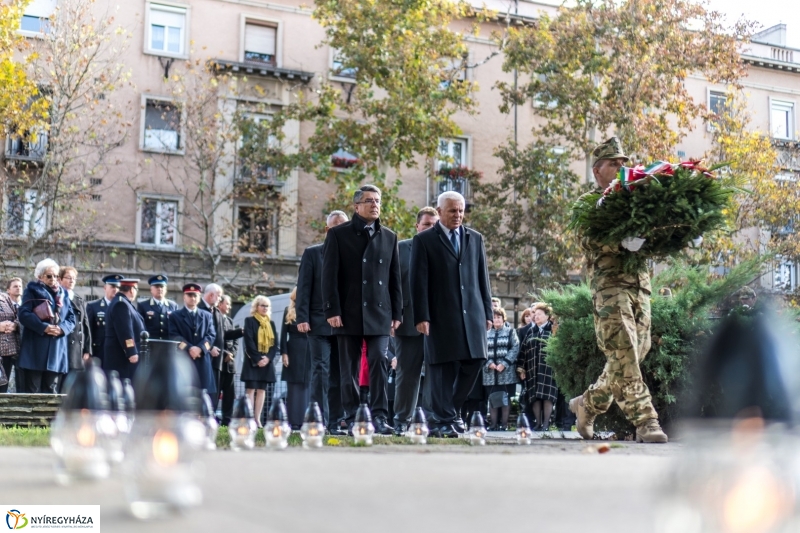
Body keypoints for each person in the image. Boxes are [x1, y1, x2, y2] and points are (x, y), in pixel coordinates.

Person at [569, 136, 668, 444]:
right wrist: (620, 242)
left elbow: (654, 230)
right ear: (598, 170)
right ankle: (646, 421)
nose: (621, 168)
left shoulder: (634, 198)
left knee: (636, 352)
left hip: (640, 284)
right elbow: (588, 238)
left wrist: (675, 234)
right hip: (609, 285)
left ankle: (587, 405)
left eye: (624, 163)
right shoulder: (587, 203)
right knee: (623, 347)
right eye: (614, 164)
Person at [411, 191, 493, 438]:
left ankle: (449, 413)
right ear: (439, 211)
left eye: (461, 210)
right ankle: (444, 420)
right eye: (452, 211)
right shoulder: (425, 240)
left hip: (473, 315)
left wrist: (488, 312)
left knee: (476, 360)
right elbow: (418, 281)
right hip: (440, 314)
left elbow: (483, 278)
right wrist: (421, 316)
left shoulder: (475, 238)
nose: (458, 215)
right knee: (442, 368)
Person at [322, 184, 402, 436]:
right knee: (350, 368)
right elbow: (329, 277)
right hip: (348, 313)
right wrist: (332, 310)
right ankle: (353, 416)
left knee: (379, 359)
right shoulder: (338, 235)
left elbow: (394, 278)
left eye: (377, 200)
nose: (374, 204)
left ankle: (378, 416)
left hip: (380, 313)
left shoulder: (389, 236)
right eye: (369, 200)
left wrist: (397, 313)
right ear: (356, 206)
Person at [296, 210, 348, 431]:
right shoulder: (313, 253)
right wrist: (302, 317)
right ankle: (318, 419)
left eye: (343, 226)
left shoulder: (354, 255)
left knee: (339, 375)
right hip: (317, 323)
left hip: (346, 326)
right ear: (328, 229)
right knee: (321, 371)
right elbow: (304, 287)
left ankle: (335, 422)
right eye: (335, 226)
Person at [392, 206, 439, 435]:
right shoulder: (400, 249)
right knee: (407, 375)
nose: (431, 228)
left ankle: (434, 421)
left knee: (437, 375)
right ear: (417, 226)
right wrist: (393, 316)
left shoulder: (445, 248)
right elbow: (393, 286)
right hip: (407, 323)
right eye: (427, 224)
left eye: (434, 224)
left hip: (439, 324)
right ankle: (401, 420)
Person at [17, 258, 76, 393]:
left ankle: (49, 416)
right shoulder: (31, 291)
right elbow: (23, 314)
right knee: (34, 391)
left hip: (56, 350)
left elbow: (71, 318)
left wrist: (62, 329)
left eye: (56, 276)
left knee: (51, 392)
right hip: (35, 351)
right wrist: (43, 327)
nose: (53, 279)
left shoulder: (63, 294)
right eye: (49, 276)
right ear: (40, 276)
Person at [168, 283, 217, 397]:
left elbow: (211, 335)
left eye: (195, 295)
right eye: (189, 295)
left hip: (202, 361)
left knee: (202, 396)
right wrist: (190, 348)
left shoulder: (207, 315)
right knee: (183, 394)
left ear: (199, 297)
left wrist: (200, 348)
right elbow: (174, 336)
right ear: (184, 297)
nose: (193, 298)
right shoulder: (175, 316)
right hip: (184, 359)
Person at [518, 302, 556, 430]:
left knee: (547, 396)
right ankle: (538, 423)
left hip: (548, 369)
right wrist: (521, 368)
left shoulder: (553, 330)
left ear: (547, 316)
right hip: (532, 369)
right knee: (534, 397)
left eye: (539, 314)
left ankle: (546, 424)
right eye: (535, 314)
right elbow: (523, 350)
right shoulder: (531, 331)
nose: (536, 317)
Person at [242, 295, 278, 427]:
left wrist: (268, 358)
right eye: (262, 305)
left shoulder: (271, 323)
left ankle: (257, 419)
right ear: (256, 307)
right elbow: (249, 342)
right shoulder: (249, 321)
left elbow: (275, 345)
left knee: (262, 390)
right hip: (253, 360)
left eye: (267, 306)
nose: (265, 308)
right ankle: (249, 418)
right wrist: (258, 359)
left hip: (266, 361)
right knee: (250, 389)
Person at [483, 308, 519, 431]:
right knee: (492, 399)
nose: (496, 319)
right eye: (494, 317)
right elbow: (482, 350)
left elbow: (515, 348)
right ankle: (493, 425)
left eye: (499, 317)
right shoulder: (486, 333)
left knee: (505, 398)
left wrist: (504, 363)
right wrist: (489, 363)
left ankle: (504, 425)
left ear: (503, 319)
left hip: (506, 372)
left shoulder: (510, 332)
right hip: (490, 373)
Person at [280, 288, 311, 429]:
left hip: (309, 351)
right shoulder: (288, 310)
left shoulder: (311, 309)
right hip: (293, 351)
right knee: (293, 388)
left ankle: (306, 420)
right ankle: (293, 421)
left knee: (307, 387)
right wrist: (284, 354)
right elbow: (283, 335)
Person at [104, 278, 146, 382]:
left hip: (123, 357)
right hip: (122, 358)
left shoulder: (124, 303)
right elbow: (125, 331)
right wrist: (131, 351)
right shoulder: (121, 304)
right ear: (132, 290)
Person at [59, 267, 92, 384]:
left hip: (77, 349)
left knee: (72, 383)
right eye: (68, 277)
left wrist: (87, 350)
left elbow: (85, 325)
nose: (72, 280)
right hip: (63, 345)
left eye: (74, 278)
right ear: (60, 279)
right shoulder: (57, 296)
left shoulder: (78, 299)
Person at [198, 283, 225, 411]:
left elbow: (220, 334)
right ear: (211, 295)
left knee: (214, 391)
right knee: (202, 390)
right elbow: (200, 335)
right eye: (219, 296)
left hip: (217, 359)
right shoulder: (199, 309)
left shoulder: (217, 312)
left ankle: (211, 416)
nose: (220, 299)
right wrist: (209, 348)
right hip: (203, 357)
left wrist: (241, 332)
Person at [86, 274, 122, 367]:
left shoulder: (123, 307)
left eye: (118, 287)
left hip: (118, 352)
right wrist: (87, 351)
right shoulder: (93, 306)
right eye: (113, 286)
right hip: (99, 352)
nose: (116, 289)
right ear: (105, 287)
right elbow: (88, 331)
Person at [218, 295, 243, 426]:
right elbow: (217, 339)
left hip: (230, 364)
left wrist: (231, 353)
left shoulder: (230, 321)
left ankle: (226, 420)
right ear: (220, 304)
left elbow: (235, 342)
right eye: (227, 304)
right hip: (218, 362)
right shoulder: (214, 318)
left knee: (229, 395)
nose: (229, 307)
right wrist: (224, 353)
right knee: (216, 392)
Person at [137, 274, 178, 340]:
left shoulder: (173, 306)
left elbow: (176, 327)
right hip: (150, 343)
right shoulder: (143, 305)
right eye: (156, 286)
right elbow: (140, 326)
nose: (159, 289)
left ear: (166, 289)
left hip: (167, 343)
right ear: (151, 289)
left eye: (162, 286)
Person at [0, 284, 21, 393]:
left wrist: (14, 325)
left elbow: (18, 315)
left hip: (7, 351)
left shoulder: (5, 297)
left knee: (3, 388)